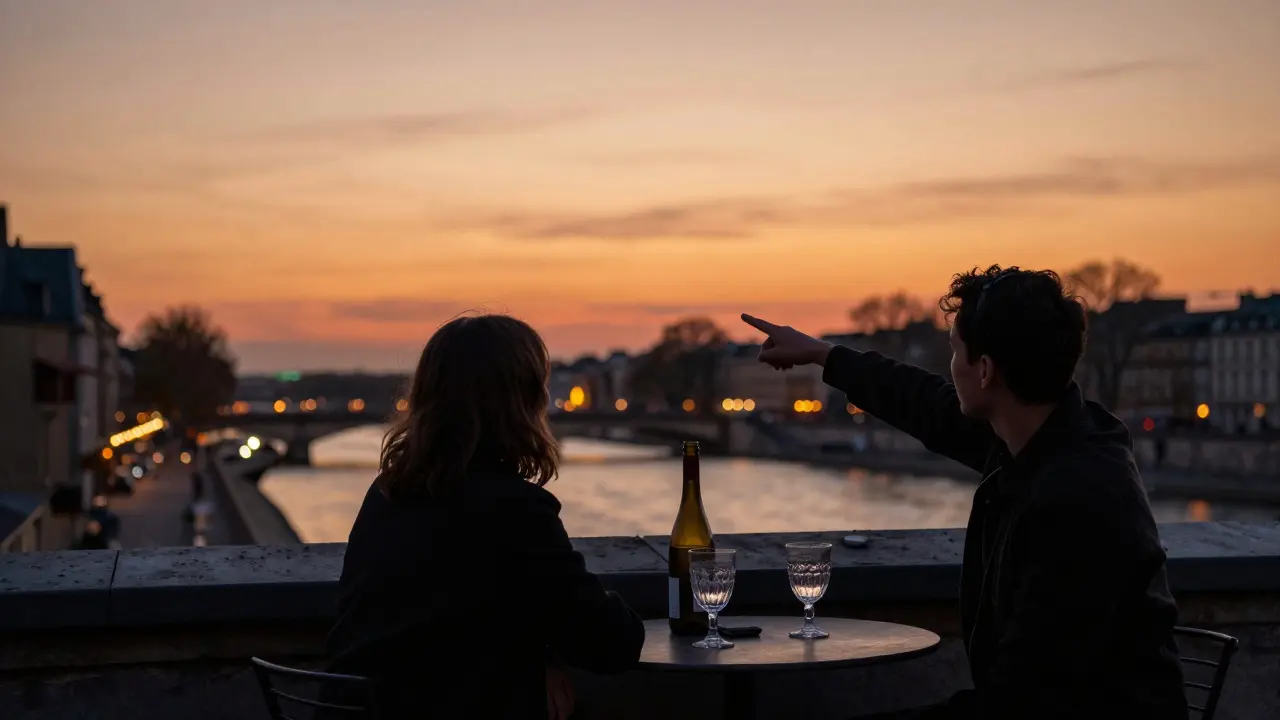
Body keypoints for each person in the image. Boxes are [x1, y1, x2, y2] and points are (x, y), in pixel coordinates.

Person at [741, 265, 1187, 720]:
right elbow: (923, 403)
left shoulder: (1072, 500)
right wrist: (823, 355)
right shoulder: (1052, 437)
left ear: (986, 371)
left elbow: (1021, 703)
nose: (949, 368)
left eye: (954, 351)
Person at [326, 314, 645, 720]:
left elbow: (439, 623)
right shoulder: (515, 508)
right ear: (526, 400)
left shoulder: (386, 493)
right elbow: (608, 642)